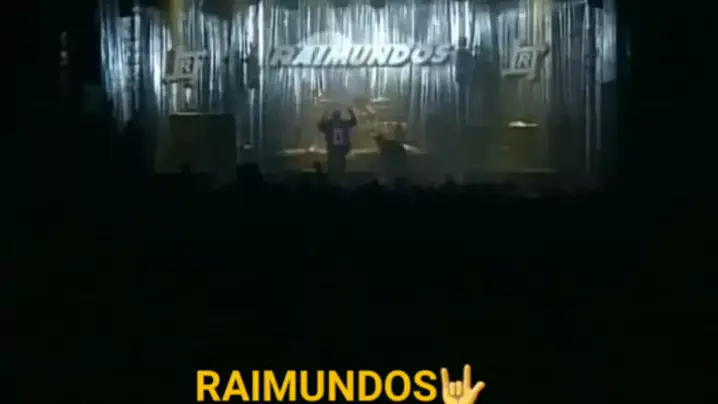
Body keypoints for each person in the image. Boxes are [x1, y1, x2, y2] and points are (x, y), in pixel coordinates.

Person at [317, 108, 357, 181]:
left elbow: (320, 126)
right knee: (341, 168)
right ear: (339, 116)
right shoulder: (344, 123)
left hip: (332, 150)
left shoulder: (329, 124)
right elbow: (354, 122)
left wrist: (324, 116)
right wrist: (351, 113)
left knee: (332, 169)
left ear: (332, 116)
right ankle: (340, 181)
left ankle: (333, 182)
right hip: (342, 150)